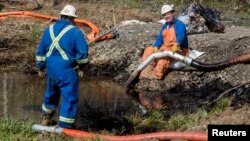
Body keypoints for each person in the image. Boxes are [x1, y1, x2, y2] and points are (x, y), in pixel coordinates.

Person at [35, 4, 89, 128]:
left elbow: (40, 51)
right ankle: (65, 127)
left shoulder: (49, 29)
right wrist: (81, 67)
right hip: (67, 71)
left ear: (60, 16)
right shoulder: (75, 32)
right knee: (69, 97)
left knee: (50, 93)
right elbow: (83, 53)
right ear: (72, 18)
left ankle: (46, 119)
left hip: (50, 70)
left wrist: (41, 67)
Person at [140, 4, 189, 80]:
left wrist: (176, 44)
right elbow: (160, 38)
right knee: (148, 50)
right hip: (166, 47)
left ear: (173, 13)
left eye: (168, 14)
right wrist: (156, 46)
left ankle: (156, 76)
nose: (166, 16)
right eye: (164, 15)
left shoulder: (179, 24)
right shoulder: (165, 26)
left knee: (164, 56)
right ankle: (144, 74)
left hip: (179, 49)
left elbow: (181, 36)